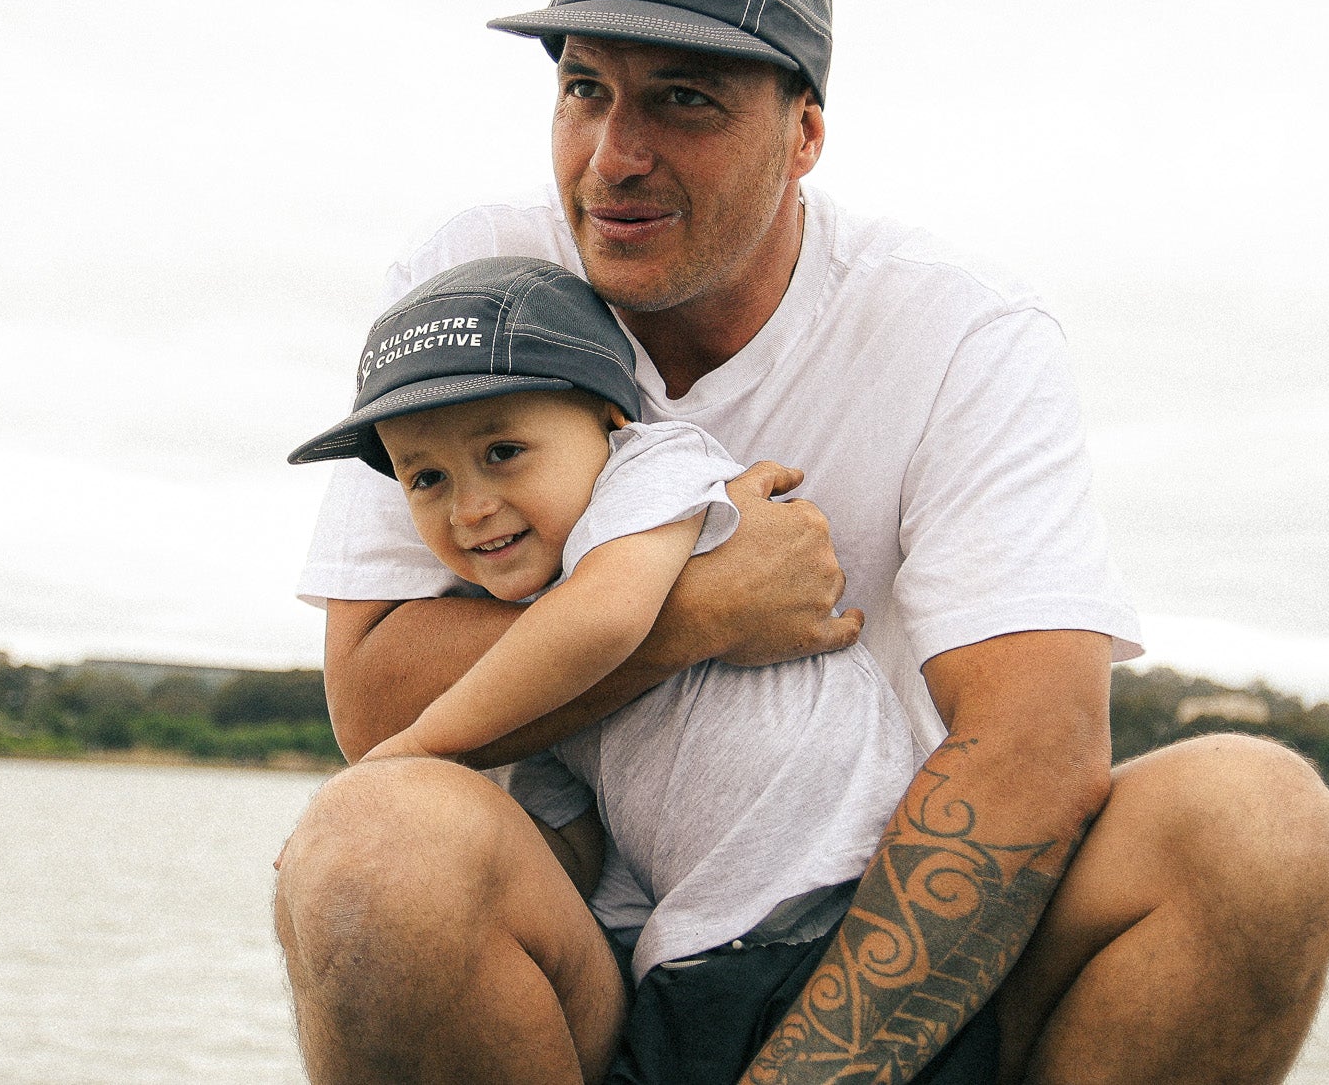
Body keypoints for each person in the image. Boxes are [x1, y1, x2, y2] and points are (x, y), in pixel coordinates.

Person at [275, 0, 1329, 1085]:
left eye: (683, 99)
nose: (614, 157)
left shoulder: (959, 329)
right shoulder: (473, 281)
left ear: (803, 134)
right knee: (372, 847)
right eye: (584, 89)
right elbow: (373, 706)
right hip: (585, 954)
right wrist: (697, 615)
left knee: (1257, 822)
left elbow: (1034, 743)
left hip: (884, 934)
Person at [287, 254, 933, 1082]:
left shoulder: (651, 473)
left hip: (844, 894)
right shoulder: (532, 669)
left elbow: (601, 621)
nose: (470, 506)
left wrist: (407, 750)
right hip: (708, 950)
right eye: (427, 478)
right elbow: (576, 846)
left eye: (504, 450)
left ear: (608, 418)